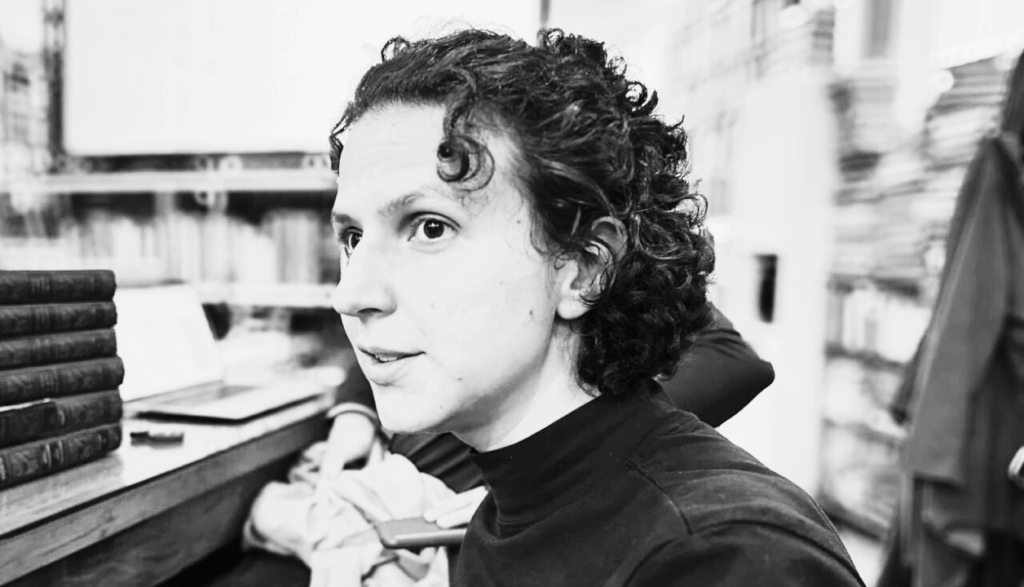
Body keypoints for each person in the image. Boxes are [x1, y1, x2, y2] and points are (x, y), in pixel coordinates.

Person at [326, 28, 864, 586]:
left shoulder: (725, 559)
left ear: (583, 268)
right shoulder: (502, 515)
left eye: (430, 228)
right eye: (352, 239)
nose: (351, 294)